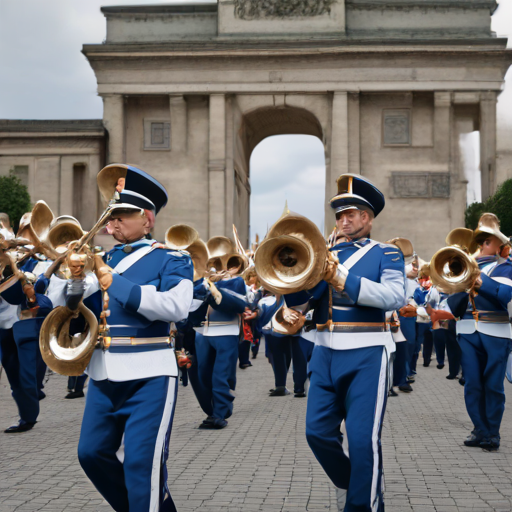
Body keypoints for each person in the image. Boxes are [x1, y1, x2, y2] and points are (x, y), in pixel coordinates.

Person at [54, 164, 193, 512]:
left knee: (141, 466)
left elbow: (177, 307)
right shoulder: (101, 258)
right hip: (103, 373)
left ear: (147, 217)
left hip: (151, 373)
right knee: (91, 453)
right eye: (110, 217)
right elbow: (65, 306)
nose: (111, 224)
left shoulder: (172, 258)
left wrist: (113, 281)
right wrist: (72, 280)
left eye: (121, 216)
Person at [279, 174, 405, 511]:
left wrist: (342, 276)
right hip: (324, 353)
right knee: (317, 434)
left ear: (367, 217)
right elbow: (302, 300)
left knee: (363, 441)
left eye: (351, 214)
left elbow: (394, 296)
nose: (343, 221)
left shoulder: (387, 254)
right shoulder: (321, 253)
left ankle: (363, 505)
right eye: (339, 215)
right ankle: (352, 485)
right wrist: (291, 312)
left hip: (368, 353)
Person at [439, 214, 512, 452]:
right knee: (472, 384)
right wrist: (459, 283)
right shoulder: (464, 265)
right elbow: (454, 306)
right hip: (468, 330)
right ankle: (479, 429)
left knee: (493, 385)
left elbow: (504, 296)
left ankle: (492, 433)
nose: (484, 244)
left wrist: (481, 283)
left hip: (496, 330)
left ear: (499, 245)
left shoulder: (506, 267)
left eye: (489, 240)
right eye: (482, 240)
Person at [189, 258, 247, 429]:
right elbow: (191, 306)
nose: (221, 269)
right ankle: (212, 410)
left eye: (228, 266)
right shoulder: (201, 281)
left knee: (221, 375)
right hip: (202, 332)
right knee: (203, 375)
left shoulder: (236, 281)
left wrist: (214, 289)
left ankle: (220, 413)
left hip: (226, 331)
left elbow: (239, 305)